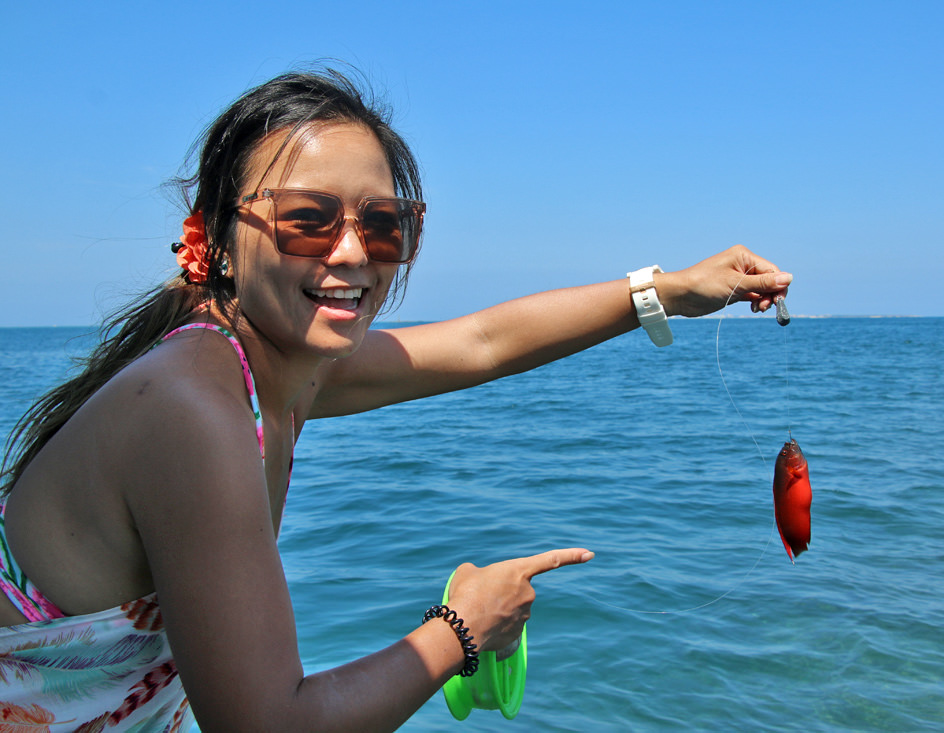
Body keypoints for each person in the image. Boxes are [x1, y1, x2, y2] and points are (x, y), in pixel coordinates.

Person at [0, 69, 792, 732]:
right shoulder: (191, 409)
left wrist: (670, 290)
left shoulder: (275, 365)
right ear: (218, 233)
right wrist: (463, 628)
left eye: (384, 225)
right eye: (305, 219)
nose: (351, 252)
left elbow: (482, 343)